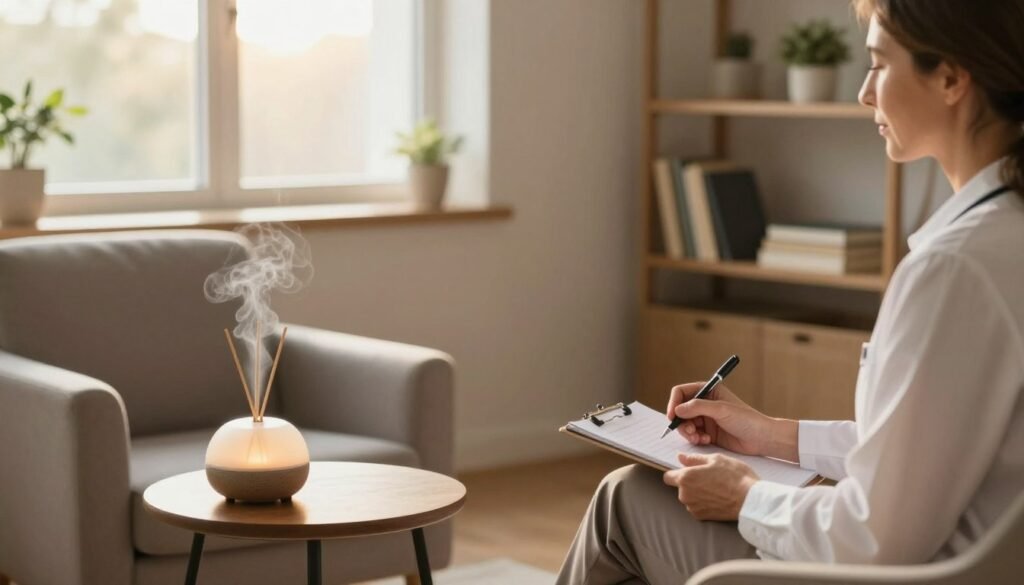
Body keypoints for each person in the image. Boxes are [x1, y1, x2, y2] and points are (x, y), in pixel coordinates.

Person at [556, 0, 1024, 583]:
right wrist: (772, 435)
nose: (864, 92)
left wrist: (745, 496)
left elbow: (874, 537)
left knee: (622, 502)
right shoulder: (1003, 239)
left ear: (952, 78)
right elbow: (925, 452)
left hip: (908, 574)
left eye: (879, 64)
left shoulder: (953, 270)